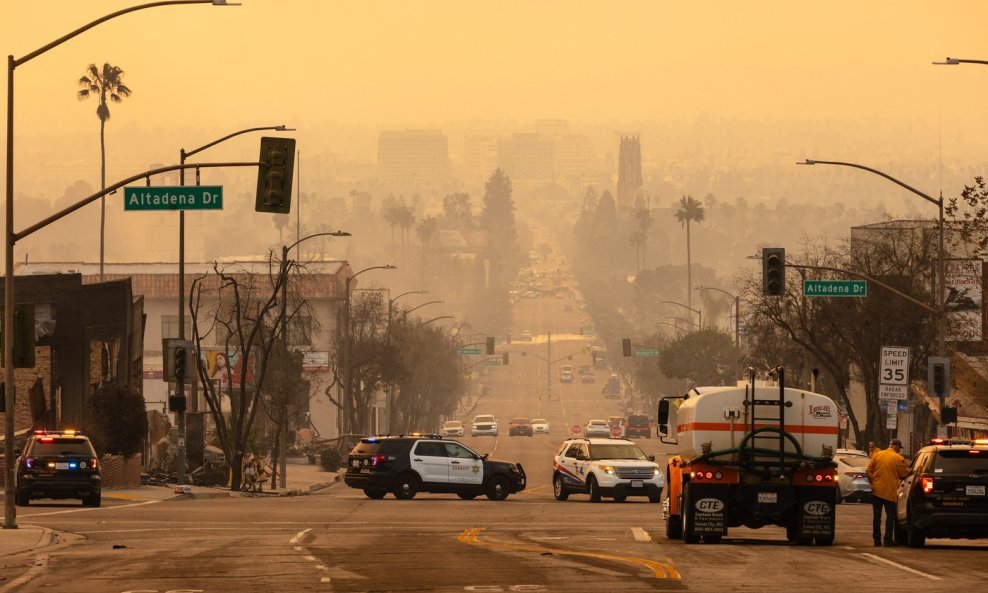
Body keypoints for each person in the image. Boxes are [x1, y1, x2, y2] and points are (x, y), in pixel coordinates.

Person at [866, 438, 911, 546]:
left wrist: (873, 482)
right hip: (889, 492)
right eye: (899, 448)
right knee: (890, 516)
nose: (899, 450)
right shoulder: (898, 458)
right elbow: (904, 474)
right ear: (896, 447)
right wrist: (912, 470)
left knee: (877, 517)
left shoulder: (877, 455)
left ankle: (877, 540)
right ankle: (888, 540)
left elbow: (868, 470)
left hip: (876, 490)